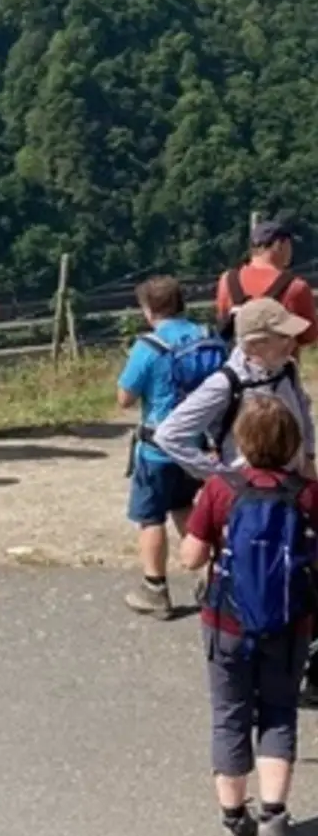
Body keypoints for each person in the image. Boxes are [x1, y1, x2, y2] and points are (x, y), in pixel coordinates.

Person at [179, 395, 318, 836]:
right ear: (292, 442)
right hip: (290, 623)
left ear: (241, 440)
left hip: (227, 621)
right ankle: (274, 819)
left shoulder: (221, 489)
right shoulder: (308, 493)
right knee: (279, 713)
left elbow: (191, 557)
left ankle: (235, 824)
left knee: (230, 715)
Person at [116, 276, 214, 620]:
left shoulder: (149, 346)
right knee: (185, 507)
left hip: (157, 448)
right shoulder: (207, 338)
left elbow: (125, 398)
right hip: (198, 444)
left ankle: (155, 588)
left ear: (148, 309)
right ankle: (211, 578)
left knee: (150, 517)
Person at [154, 298, 316, 483]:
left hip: (294, 483)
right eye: (284, 337)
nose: (293, 344)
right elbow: (169, 435)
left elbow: (303, 410)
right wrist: (223, 478)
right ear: (255, 345)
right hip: (250, 492)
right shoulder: (225, 383)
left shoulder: (287, 369)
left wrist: (308, 457)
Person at [215, 220, 318, 350]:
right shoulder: (295, 287)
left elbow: (222, 322)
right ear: (279, 245)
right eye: (289, 244)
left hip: (237, 359)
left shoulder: (227, 280)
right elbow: (309, 336)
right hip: (280, 361)